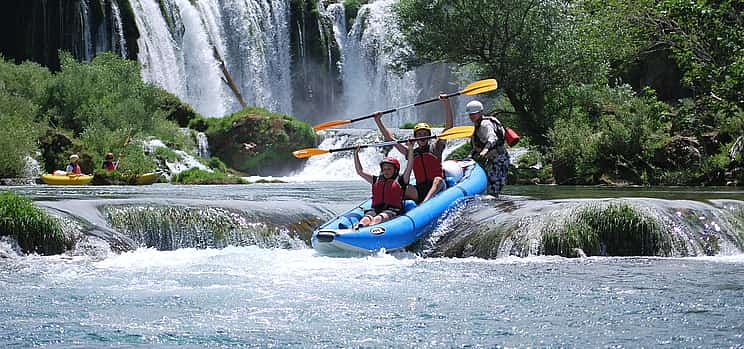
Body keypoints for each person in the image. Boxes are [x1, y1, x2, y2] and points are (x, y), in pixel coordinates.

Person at [373, 94, 454, 203]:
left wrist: (446, 103)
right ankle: (389, 206)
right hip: (420, 189)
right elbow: (390, 138)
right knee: (401, 186)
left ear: (429, 136)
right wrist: (378, 121)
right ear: (415, 137)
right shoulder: (410, 152)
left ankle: (424, 204)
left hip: (438, 187)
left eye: (425, 134)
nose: (422, 136)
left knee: (438, 180)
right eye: (419, 134)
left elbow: (449, 128)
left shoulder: (436, 147)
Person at [354, 141, 414, 228]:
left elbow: (410, 165)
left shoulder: (402, 180)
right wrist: (355, 154)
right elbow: (360, 171)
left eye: (389, 169)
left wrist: (411, 148)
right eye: (384, 169)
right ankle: (357, 228)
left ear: (395, 170)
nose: (386, 171)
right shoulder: (376, 180)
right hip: (375, 209)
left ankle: (368, 230)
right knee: (365, 219)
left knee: (378, 218)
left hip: (392, 210)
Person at [466, 100, 510, 196]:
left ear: (480, 112)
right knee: (490, 186)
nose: (472, 116)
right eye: (470, 114)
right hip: (493, 159)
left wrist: (485, 149)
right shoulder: (479, 124)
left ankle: (496, 207)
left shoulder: (485, 124)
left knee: (493, 188)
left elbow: (492, 137)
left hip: (499, 159)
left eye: (474, 114)